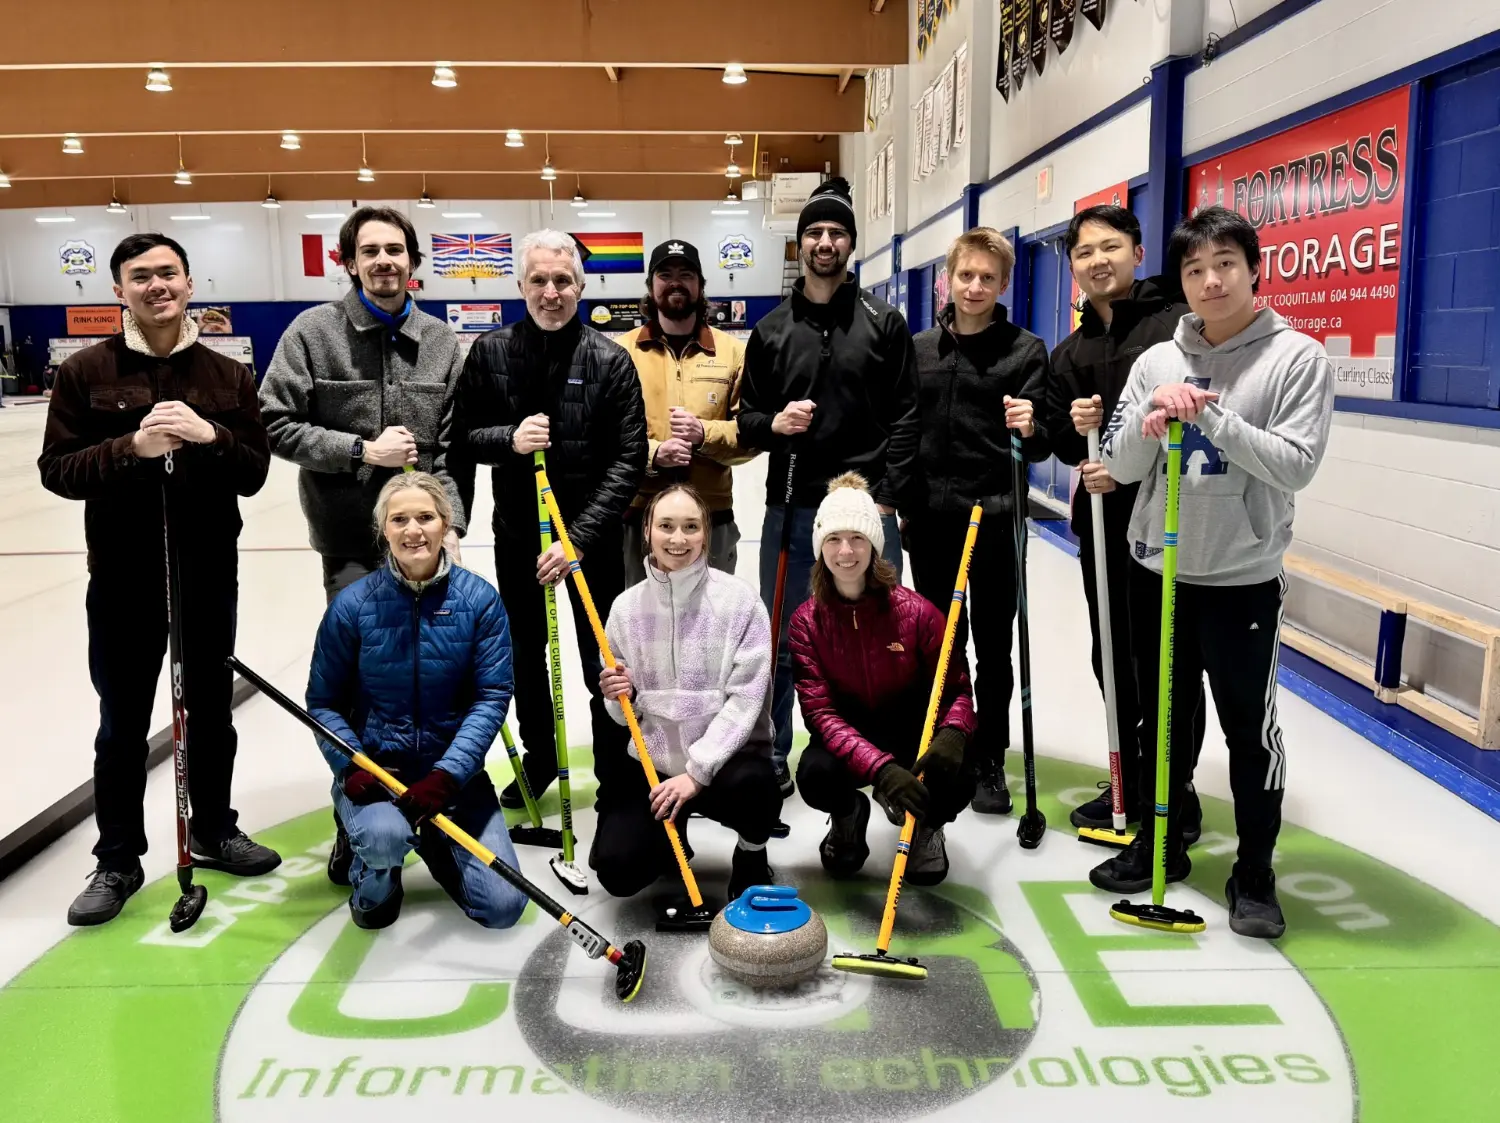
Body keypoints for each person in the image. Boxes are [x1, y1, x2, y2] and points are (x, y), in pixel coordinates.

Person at [1091, 206, 1335, 939]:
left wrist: (1211, 417)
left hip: (1241, 579)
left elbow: (1298, 462)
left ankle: (1254, 872)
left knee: (1247, 732)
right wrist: (1148, 424)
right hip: (1160, 572)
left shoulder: (1299, 358)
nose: (1210, 280)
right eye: (1195, 269)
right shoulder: (1155, 361)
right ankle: (1162, 842)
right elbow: (1120, 466)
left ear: (1254, 269)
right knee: (1161, 724)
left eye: (1225, 263)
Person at [39, 233, 277, 927]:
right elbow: (58, 470)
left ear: (189, 282)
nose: (156, 286)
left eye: (167, 272)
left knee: (210, 712)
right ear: (119, 291)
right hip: (122, 577)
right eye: (140, 276)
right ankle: (117, 858)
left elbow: (255, 469)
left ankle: (213, 828)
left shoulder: (227, 376)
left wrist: (211, 437)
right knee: (120, 724)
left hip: (207, 572)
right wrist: (129, 447)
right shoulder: (85, 371)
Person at [259, 205, 468, 887]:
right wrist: (360, 448)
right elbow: (274, 422)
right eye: (370, 251)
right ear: (347, 261)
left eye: (396, 250)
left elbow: (451, 448)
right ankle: (357, 814)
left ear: (413, 262)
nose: (385, 261)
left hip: (427, 548)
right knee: (355, 688)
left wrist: (453, 521)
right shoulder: (312, 335)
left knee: (429, 680)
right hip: (351, 546)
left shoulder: (440, 342)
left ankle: (430, 801)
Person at [453, 230, 647, 809]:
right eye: (539, 280)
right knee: (526, 655)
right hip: (518, 537)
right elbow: (462, 437)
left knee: (603, 657)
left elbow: (629, 457)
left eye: (563, 281)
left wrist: (579, 540)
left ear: (581, 287)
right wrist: (508, 438)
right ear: (521, 285)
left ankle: (616, 766)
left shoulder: (611, 360)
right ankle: (541, 761)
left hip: (592, 542)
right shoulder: (489, 353)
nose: (551, 292)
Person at [739, 177, 921, 794]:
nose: (824, 241)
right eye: (814, 232)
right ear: (800, 243)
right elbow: (749, 421)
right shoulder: (769, 332)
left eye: (836, 232)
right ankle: (773, 753)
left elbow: (905, 414)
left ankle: (872, 754)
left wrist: (888, 497)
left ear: (849, 243)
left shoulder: (883, 322)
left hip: (867, 511)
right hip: (792, 504)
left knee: (878, 633)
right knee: (786, 635)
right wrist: (776, 423)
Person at [1043, 204, 1207, 840]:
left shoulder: (1177, 329)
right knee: (1111, 652)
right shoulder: (1071, 352)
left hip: (1171, 523)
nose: (1096, 261)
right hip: (1105, 527)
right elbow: (1059, 438)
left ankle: (1177, 788)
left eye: (1110, 247)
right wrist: (1073, 432)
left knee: (1165, 658)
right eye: (1084, 253)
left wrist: (1128, 462)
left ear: (1138, 253)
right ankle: (1133, 778)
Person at [306, 472, 526, 930]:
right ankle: (370, 847)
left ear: (445, 524)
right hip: (380, 774)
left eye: (425, 517)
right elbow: (323, 702)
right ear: (383, 529)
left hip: (451, 779)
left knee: (503, 908)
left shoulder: (480, 601)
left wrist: (447, 777)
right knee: (380, 873)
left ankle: (432, 837)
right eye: (399, 519)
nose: (413, 530)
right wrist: (352, 766)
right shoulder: (352, 606)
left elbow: (491, 698)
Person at [907, 227, 1049, 817]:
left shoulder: (1024, 351)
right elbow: (900, 430)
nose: (974, 286)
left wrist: (1031, 425)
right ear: (948, 277)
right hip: (931, 524)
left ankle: (991, 758)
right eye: (966, 275)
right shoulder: (917, 350)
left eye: (988, 277)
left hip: (992, 521)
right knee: (942, 646)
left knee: (993, 646)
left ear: (1004, 284)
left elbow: (1040, 449)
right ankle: (949, 749)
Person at [592, 485, 781, 900]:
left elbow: (745, 701)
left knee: (758, 785)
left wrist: (696, 773)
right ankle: (667, 842)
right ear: (647, 531)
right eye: (666, 526)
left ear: (706, 534)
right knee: (618, 872)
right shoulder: (625, 609)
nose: (678, 539)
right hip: (655, 767)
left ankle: (751, 853)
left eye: (690, 527)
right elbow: (623, 715)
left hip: (725, 765)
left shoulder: (740, 602)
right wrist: (616, 695)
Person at [789, 474, 977, 885]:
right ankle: (848, 815)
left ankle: (928, 825)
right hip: (850, 738)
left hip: (911, 732)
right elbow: (820, 714)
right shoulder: (806, 622)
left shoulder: (919, 614)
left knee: (960, 770)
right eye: (834, 538)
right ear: (820, 546)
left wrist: (954, 733)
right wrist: (881, 771)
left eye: (857, 538)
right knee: (815, 774)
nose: (845, 551)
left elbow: (957, 689)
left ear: (874, 545)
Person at [617, 239, 754, 585]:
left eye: (686, 274)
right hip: (640, 519)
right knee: (640, 630)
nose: (676, 282)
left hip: (712, 518)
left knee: (713, 628)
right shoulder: (620, 353)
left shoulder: (733, 353)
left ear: (701, 285)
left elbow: (751, 436)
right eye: (665, 274)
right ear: (651, 286)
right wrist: (653, 454)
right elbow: (603, 436)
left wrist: (704, 435)